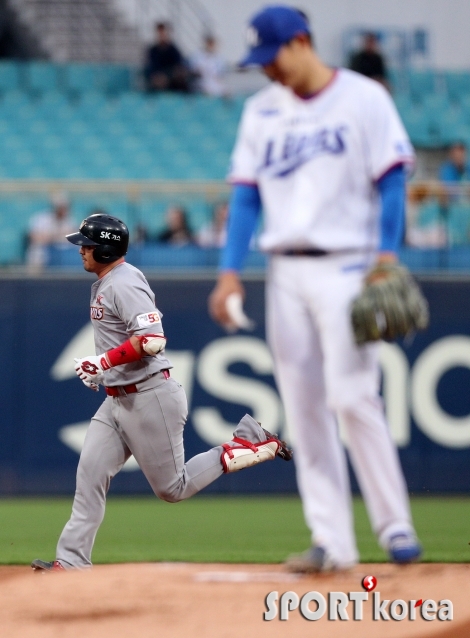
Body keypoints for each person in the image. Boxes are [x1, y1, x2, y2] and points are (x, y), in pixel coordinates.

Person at [208, 6, 421, 573]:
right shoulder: (260, 111)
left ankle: (395, 525)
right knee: (302, 410)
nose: (267, 70)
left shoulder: (364, 98)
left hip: (349, 265)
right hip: (286, 272)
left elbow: (392, 180)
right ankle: (331, 540)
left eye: (272, 56)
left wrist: (386, 255)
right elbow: (247, 196)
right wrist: (230, 271)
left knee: (352, 396)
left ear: (301, 42)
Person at [30, 213, 292, 572]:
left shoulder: (124, 282)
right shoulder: (108, 281)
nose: (82, 250)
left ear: (105, 248)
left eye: (87, 244)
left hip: (149, 396)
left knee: (173, 488)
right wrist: (104, 374)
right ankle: (72, 562)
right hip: (118, 399)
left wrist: (104, 362)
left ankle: (249, 444)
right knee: (89, 476)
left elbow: (153, 340)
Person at [25, 191, 76, 270]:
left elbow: (72, 237)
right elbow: (35, 237)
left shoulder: (69, 220)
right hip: (43, 253)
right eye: (61, 207)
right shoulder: (41, 218)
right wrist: (56, 236)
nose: (63, 210)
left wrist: (53, 236)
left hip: (62, 254)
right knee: (37, 254)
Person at [144, 22, 190, 93]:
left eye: (163, 33)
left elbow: (179, 64)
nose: (162, 35)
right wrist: (157, 76)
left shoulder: (173, 49)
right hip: (158, 77)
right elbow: (151, 66)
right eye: (160, 33)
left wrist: (170, 74)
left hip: (172, 77)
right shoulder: (153, 50)